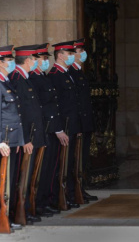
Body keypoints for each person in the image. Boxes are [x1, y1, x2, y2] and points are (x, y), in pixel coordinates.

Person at [29, 43, 69, 215]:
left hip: (51, 128)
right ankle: (37, 203)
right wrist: (56, 128)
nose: (46, 61)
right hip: (44, 128)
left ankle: (45, 200)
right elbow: (42, 107)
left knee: (50, 167)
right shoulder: (33, 79)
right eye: (43, 58)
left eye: (46, 58)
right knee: (41, 168)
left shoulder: (43, 77)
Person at [10, 45, 46, 225]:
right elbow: (19, 113)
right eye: (33, 58)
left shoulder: (25, 78)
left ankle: (24, 210)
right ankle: (18, 211)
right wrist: (24, 139)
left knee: (28, 177)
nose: (36, 61)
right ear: (27, 60)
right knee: (20, 178)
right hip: (25, 138)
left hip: (31, 136)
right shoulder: (17, 79)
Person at [47, 41, 81, 208]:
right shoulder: (55, 75)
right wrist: (59, 128)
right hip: (62, 126)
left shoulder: (67, 74)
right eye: (69, 54)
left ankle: (66, 195)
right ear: (59, 55)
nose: (72, 56)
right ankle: (56, 197)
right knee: (60, 165)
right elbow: (55, 105)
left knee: (68, 164)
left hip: (71, 125)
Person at [69, 38, 97, 201]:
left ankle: (80, 188)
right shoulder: (71, 73)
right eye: (80, 51)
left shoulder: (78, 72)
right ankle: (73, 191)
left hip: (84, 123)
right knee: (75, 160)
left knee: (82, 159)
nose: (83, 53)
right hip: (77, 124)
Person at [0, 45, 24, 231]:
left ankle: (6, 216)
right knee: (2, 182)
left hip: (11, 139)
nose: (11, 64)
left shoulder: (6, 82)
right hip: (3, 141)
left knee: (9, 182)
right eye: (9, 61)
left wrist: (18, 140)